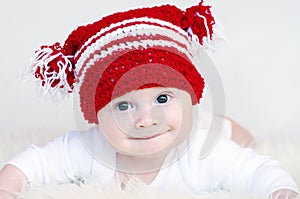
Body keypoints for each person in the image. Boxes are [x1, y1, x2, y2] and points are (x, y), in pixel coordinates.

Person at [0, 2, 298, 199]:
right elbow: (35, 161)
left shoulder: (202, 154)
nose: (145, 119)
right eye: (123, 105)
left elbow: (259, 170)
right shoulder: (89, 148)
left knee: (238, 137)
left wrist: (281, 191)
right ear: (96, 115)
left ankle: (219, 122)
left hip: (200, 130)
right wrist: (8, 186)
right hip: (181, 124)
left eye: (162, 97)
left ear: (190, 96)